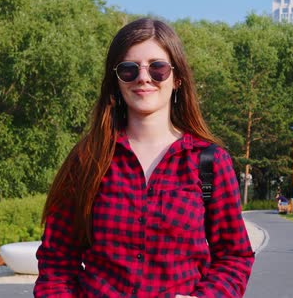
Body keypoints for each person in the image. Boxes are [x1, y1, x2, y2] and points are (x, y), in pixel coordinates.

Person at [34, 18, 254, 298]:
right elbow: (56, 263)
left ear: (177, 79)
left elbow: (234, 257)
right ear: (116, 80)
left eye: (157, 68)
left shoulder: (208, 162)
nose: (143, 77)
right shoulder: (88, 160)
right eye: (128, 69)